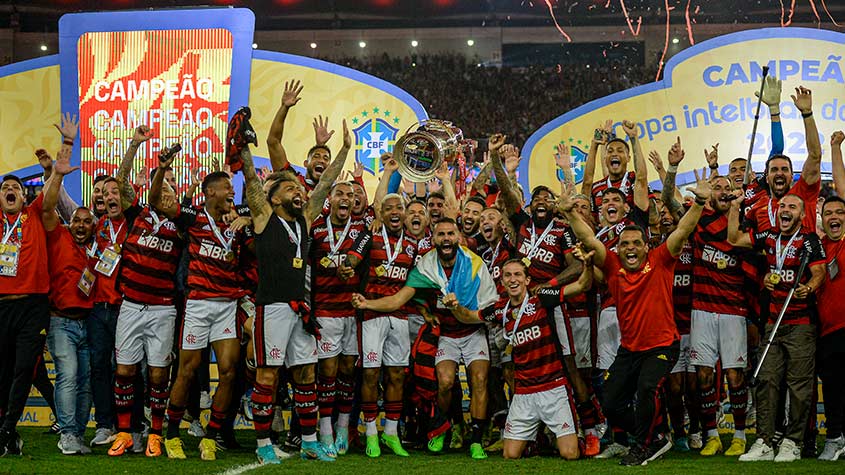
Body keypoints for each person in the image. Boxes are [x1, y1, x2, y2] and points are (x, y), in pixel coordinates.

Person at [560, 166, 711, 466]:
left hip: (662, 345)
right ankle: (653, 437)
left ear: (646, 246)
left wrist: (700, 203)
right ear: (618, 248)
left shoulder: (661, 260)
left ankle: (643, 446)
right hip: (629, 349)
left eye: (636, 244)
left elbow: (682, 231)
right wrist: (570, 214)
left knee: (645, 390)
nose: (630, 248)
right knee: (611, 401)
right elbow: (589, 240)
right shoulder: (613, 264)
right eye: (624, 244)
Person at [241, 109, 351, 464]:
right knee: (268, 376)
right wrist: (243, 146)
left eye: (299, 187)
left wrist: (344, 151)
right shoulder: (263, 216)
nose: (300, 191)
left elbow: (323, 186)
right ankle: (262, 446)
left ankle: (308, 441)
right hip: (271, 307)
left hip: (302, 311)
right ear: (273, 196)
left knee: (306, 376)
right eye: (290, 187)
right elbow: (251, 179)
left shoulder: (304, 220)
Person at [352, 218, 499, 460]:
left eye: (451, 233)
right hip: (447, 334)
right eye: (441, 234)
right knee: (444, 382)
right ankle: (440, 429)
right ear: (433, 239)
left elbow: (486, 311)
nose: (446, 239)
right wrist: (367, 303)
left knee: (480, 379)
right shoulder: (426, 265)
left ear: (459, 237)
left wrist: (460, 310)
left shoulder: (475, 264)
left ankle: (475, 440)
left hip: (473, 330)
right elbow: (400, 299)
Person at [152, 156, 250, 461]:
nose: (232, 193)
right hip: (197, 305)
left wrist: (247, 220)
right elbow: (157, 200)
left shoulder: (239, 219)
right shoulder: (193, 218)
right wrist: (160, 171)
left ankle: (211, 435)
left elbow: (267, 215)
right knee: (187, 371)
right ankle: (171, 435)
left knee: (229, 372)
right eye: (226, 188)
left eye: (232, 188)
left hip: (227, 306)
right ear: (209, 192)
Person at [661, 138, 751, 457]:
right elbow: (671, 205)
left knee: (735, 375)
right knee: (703, 375)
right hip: (701, 310)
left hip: (733, 311)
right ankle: (712, 434)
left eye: (727, 186)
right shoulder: (697, 222)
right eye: (717, 187)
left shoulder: (743, 224)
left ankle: (739, 434)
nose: (723, 191)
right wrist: (671, 168)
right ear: (710, 193)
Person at [0, 113, 77, 455]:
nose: (10, 191)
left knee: (24, 369)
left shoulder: (33, 214)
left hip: (33, 305)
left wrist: (65, 151)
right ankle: (9, 432)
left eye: (15, 187)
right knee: (4, 372)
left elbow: (49, 196)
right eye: (5, 188)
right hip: (2, 306)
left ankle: (4, 430)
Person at [729, 193, 826, 463]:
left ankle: (792, 442)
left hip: (801, 325)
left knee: (798, 386)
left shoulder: (809, 241)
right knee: (766, 380)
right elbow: (735, 240)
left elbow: (818, 273)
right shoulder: (769, 237)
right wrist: (735, 207)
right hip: (773, 322)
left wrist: (808, 288)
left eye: (792, 207)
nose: (785, 210)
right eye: (782, 206)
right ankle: (764, 440)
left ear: (803, 215)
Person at [107, 128, 186, 458]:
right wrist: (135, 144)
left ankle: (154, 433)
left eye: (170, 187)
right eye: (161, 186)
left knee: (158, 373)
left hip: (163, 308)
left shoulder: (182, 223)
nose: (165, 192)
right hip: (131, 305)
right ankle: (124, 433)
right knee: (124, 370)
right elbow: (122, 180)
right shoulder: (136, 213)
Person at [480, 252, 594, 460]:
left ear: (527, 280)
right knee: (510, 454)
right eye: (507, 275)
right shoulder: (500, 311)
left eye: (517, 275)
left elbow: (581, 286)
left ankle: (579, 434)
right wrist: (455, 307)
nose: (513, 279)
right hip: (524, 392)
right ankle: (537, 440)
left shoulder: (542, 299)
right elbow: (471, 317)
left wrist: (587, 265)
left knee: (570, 454)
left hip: (553, 387)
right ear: (502, 280)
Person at [339, 193, 417, 458]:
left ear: (405, 213)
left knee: (396, 375)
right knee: (371, 375)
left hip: (400, 315)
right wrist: (346, 268)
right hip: (371, 315)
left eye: (400, 208)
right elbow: (351, 259)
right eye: (389, 208)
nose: (395, 212)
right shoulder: (369, 236)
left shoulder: (413, 245)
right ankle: (371, 433)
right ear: (381, 214)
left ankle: (392, 434)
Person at [310, 180, 366, 456]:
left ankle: (343, 427)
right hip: (325, 310)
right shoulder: (316, 229)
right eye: (340, 194)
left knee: (347, 371)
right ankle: (325, 429)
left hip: (352, 311)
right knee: (328, 373)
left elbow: (360, 254)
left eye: (351, 195)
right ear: (329, 199)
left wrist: (349, 267)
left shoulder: (363, 228)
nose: (346, 199)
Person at [42, 139, 90, 456]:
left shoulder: (99, 247)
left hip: (89, 323)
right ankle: (68, 433)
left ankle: (77, 434)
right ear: (69, 221)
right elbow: (48, 206)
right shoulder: (58, 235)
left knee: (84, 382)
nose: (82, 225)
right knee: (69, 377)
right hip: (60, 322)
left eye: (87, 221)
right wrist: (54, 173)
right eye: (77, 220)